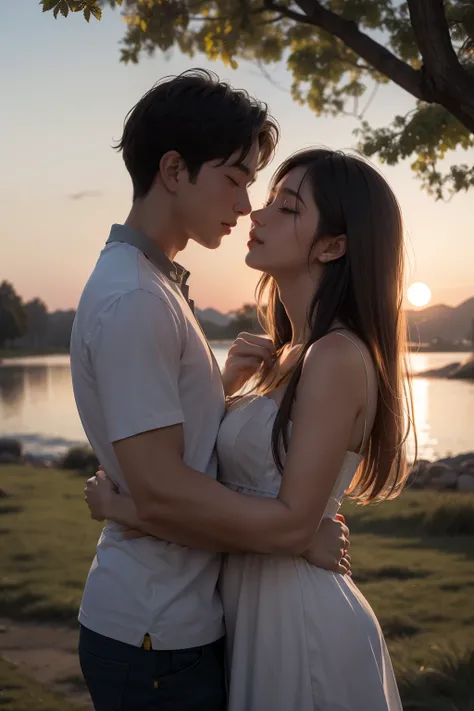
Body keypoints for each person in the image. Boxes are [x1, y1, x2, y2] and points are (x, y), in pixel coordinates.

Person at [87, 147, 415, 710]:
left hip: (301, 627)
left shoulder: (335, 356)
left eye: (286, 208)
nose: (255, 216)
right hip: (250, 616)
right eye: (268, 201)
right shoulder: (285, 356)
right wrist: (226, 391)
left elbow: (288, 526)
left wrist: (131, 510)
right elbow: (241, 488)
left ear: (334, 245)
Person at [71, 70, 350, 711]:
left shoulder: (153, 285)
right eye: (236, 178)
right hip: (155, 629)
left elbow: (165, 457)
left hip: (176, 617)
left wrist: (219, 391)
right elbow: (163, 488)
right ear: (174, 170)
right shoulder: (137, 299)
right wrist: (293, 535)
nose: (247, 204)